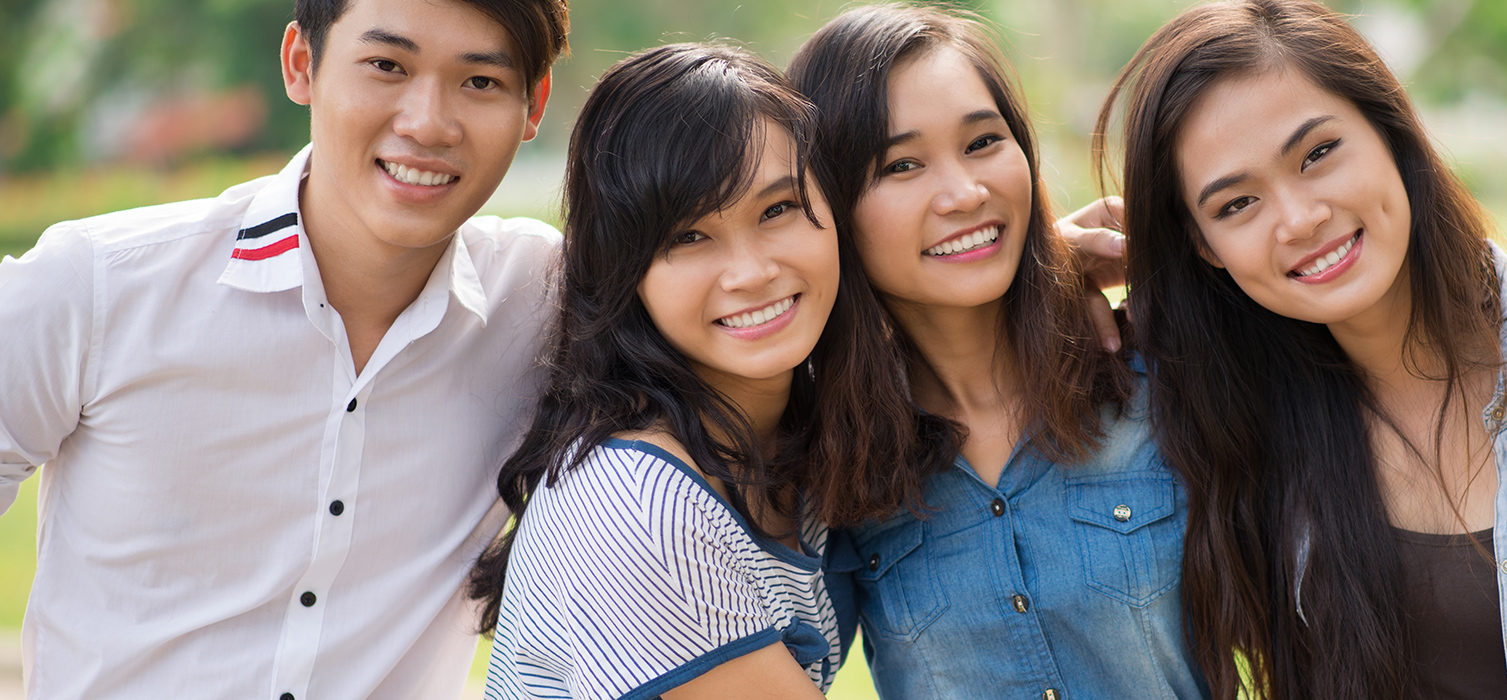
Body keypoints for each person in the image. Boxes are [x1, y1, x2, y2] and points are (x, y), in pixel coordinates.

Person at [1094, 1, 1507, 698]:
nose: (1300, 219)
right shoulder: (1221, 421)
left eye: (1317, 154)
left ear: (1392, 131)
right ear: (1205, 248)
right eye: (1237, 205)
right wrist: (1054, 274)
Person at [0, 0, 566, 697]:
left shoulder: (545, 302)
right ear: (303, 63)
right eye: (387, 66)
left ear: (532, 103)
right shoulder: (98, 287)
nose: (427, 123)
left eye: (480, 82)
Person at [468, 42, 914, 699]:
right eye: (688, 237)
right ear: (625, 272)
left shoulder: (801, 429)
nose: (752, 272)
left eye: (777, 210)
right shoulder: (637, 508)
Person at [788, 6, 1205, 699]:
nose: (964, 193)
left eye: (983, 142)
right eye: (901, 164)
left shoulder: (1157, 382)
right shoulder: (833, 461)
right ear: (829, 206)